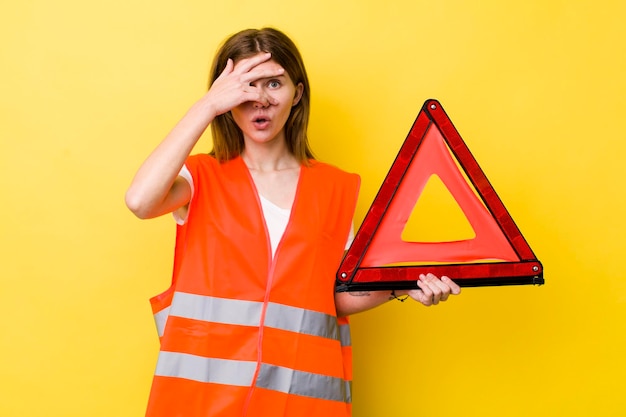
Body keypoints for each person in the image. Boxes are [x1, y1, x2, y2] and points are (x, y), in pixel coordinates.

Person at [125, 27, 461, 417]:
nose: (261, 99)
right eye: (246, 86)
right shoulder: (199, 177)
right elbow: (139, 200)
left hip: (297, 404)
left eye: (273, 83)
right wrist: (206, 106)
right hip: (201, 404)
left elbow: (327, 299)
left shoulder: (335, 188)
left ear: (297, 93)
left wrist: (401, 286)